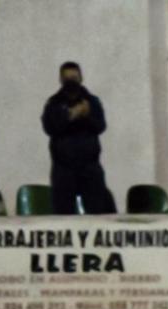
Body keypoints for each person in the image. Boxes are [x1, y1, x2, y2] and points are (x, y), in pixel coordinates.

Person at [41, 61, 115, 214]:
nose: (71, 81)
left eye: (74, 77)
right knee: (63, 215)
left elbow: (100, 126)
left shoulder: (92, 101)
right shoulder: (53, 103)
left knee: (97, 212)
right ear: (61, 80)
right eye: (67, 78)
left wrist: (87, 115)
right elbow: (50, 128)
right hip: (63, 169)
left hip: (90, 167)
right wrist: (72, 114)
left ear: (81, 78)